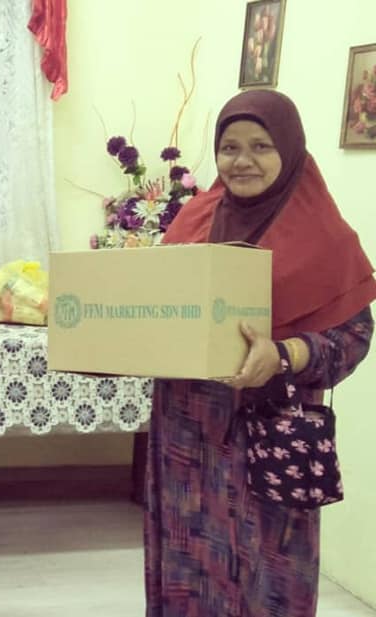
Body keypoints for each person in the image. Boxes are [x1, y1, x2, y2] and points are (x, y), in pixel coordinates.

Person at [144, 89, 376, 616]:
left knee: (267, 576)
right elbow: (158, 307)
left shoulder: (326, 238)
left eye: (260, 146)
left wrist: (285, 354)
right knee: (188, 565)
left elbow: (353, 337)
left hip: (271, 436)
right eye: (229, 147)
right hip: (188, 436)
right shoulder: (194, 221)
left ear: (289, 149)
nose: (242, 161)